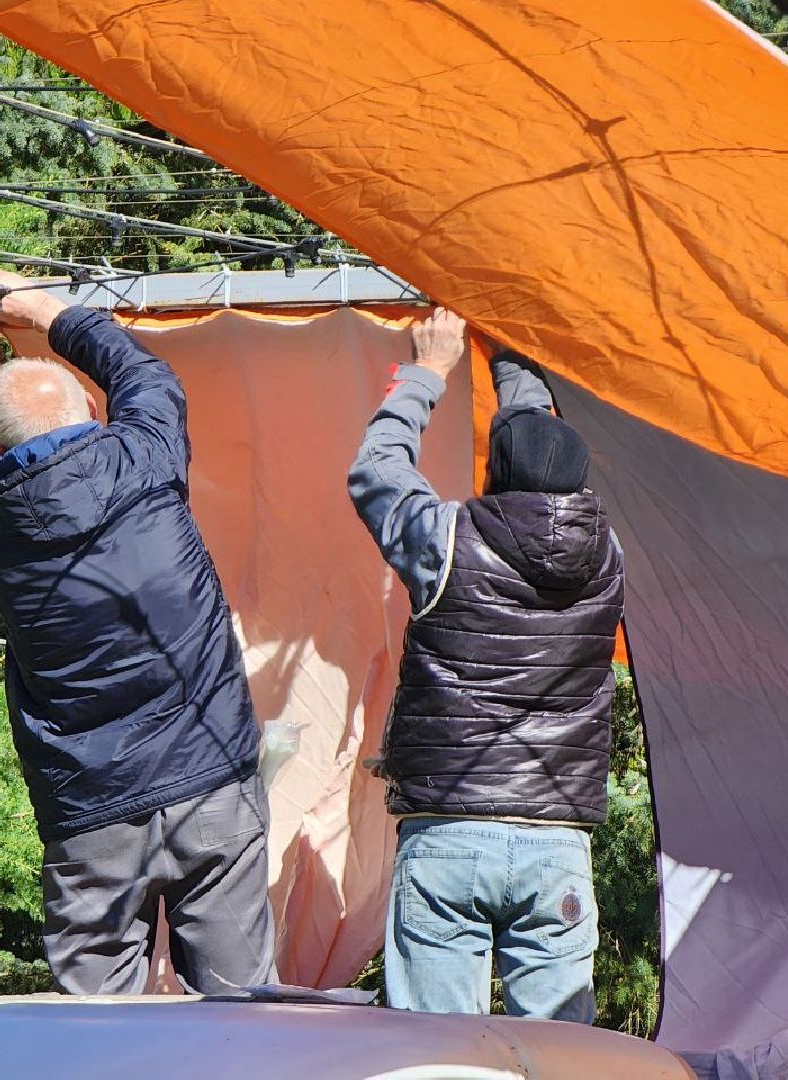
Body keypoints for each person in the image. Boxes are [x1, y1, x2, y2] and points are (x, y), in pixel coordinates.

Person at [0, 270, 275, 996]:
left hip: (89, 813)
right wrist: (46, 312)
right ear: (93, 411)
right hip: (212, 783)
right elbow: (145, 375)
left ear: (0, 448)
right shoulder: (143, 459)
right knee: (246, 1021)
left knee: (96, 1034)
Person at [347, 308, 624, 1023]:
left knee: (440, 1056)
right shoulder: (610, 557)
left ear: (494, 472)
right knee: (564, 1061)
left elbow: (377, 470)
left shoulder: (446, 539)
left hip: (448, 832)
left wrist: (427, 371)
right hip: (557, 841)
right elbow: (537, 442)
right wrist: (510, 350)